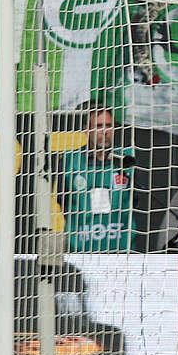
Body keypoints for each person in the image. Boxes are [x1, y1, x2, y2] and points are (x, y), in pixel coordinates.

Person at [54, 107, 136, 253]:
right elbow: (63, 203)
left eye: (109, 126)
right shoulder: (69, 160)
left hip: (121, 251)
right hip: (80, 251)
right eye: (98, 126)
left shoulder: (127, 159)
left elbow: (135, 200)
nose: (104, 131)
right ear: (86, 129)